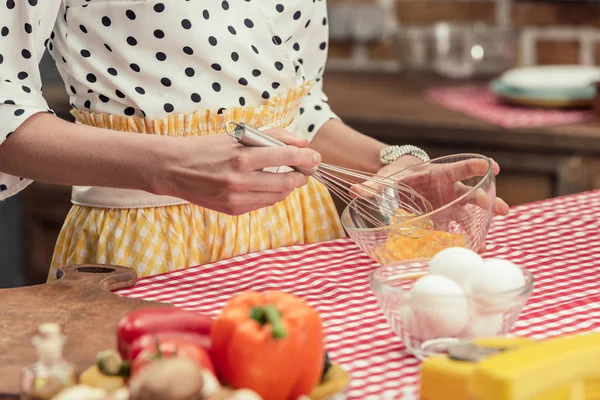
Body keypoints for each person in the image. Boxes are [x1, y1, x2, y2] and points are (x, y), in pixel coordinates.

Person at [0, 1, 509, 280]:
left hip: (301, 234)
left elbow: (297, 109)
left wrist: (393, 163)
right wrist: (168, 165)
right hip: (151, 244)